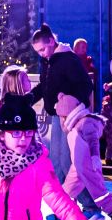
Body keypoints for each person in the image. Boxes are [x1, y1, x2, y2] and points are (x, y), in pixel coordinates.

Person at [55, 92, 112, 220]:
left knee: (101, 195)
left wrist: (95, 157)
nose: (61, 121)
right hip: (77, 169)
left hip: (90, 168)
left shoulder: (85, 122)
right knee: (66, 193)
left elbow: (93, 141)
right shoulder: (74, 126)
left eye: (62, 117)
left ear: (68, 114)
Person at [28, 24, 92, 185]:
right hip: (57, 116)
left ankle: (88, 203)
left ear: (51, 41)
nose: (41, 55)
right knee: (55, 161)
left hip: (70, 116)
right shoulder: (49, 60)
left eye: (42, 50)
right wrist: (26, 100)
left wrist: (71, 102)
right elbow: (44, 86)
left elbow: (85, 85)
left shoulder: (67, 59)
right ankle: (62, 201)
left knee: (66, 162)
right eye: (38, 52)